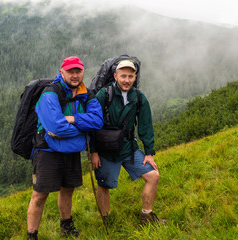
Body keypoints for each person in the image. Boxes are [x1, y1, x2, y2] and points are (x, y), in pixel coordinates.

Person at [27, 56, 104, 239]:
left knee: (68, 189)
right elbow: (55, 127)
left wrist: (73, 119)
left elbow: (98, 121)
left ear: (83, 72)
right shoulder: (50, 93)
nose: (75, 75)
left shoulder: (87, 94)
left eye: (78, 71)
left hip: (71, 152)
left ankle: (66, 226)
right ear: (62, 72)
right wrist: (82, 129)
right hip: (47, 151)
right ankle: (32, 235)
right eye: (70, 71)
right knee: (40, 195)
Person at [90, 60, 166, 225]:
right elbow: (92, 124)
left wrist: (149, 153)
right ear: (115, 76)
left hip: (128, 148)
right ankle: (106, 220)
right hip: (106, 150)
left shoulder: (138, 97)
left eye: (130, 76)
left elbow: (145, 126)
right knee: (104, 185)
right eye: (123, 76)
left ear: (135, 77)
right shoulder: (104, 94)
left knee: (153, 176)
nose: (126, 80)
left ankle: (146, 217)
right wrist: (94, 152)